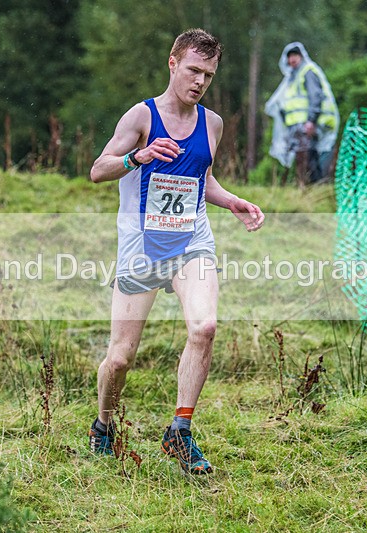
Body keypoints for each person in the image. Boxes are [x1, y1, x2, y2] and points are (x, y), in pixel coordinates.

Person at [88, 28, 265, 475]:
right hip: (141, 249)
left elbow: (199, 179)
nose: (200, 81)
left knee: (204, 327)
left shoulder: (213, 124)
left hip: (191, 242)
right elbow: (98, 169)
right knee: (121, 357)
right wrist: (140, 157)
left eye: (208, 74)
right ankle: (103, 424)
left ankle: (179, 432)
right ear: (173, 64)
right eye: (193, 70)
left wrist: (232, 201)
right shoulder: (141, 117)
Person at [265, 42, 339, 187]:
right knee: (303, 157)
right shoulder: (293, 77)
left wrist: (311, 120)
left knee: (308, 157)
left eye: (294, 56)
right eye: (289, 57)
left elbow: (315, 96)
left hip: (307, 124)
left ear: (301, 56)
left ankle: (314, 187)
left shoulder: (307, 72)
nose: (292, 60)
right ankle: (308, 187)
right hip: (298, 126)